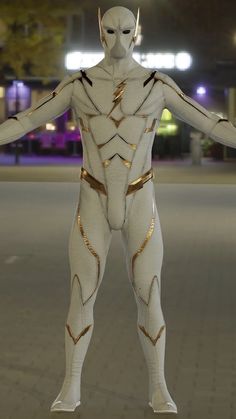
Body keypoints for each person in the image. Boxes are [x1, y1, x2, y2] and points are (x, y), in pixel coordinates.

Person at [1, 6, 236, 415]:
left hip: (140, 196)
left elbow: (211, 123)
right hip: (91, 195)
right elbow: (25, 120)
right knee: (80, 295)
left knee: (150, 295)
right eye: (111, 30)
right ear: (99, 31)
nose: (119, 39)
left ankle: (159, 389)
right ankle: (70, 386)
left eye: (127, 30)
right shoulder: (79, 83)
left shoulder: (156, 84)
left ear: (137, 30)